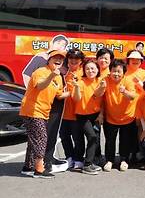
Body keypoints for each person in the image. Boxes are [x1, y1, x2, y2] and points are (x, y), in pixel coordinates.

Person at [19, 49, 69, 178]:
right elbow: (40, 86)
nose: (58, 60)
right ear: (49, 60)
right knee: (41, 139)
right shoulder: (40, 72)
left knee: (33, 140)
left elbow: (59, 95)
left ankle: (28, 167)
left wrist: (74, 90)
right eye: (55, 58)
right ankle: (39, 170)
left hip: (43, 112)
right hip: (32, 110)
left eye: (61, 59)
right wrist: (51, 75)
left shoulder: (58, 77)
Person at [97, 59, 137, 172]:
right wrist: (101, 114)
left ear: (123, 72)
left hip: (127, 117)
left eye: (119, 71)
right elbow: (99, 98)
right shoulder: (105, 80)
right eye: (114, 71)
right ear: (110, 71)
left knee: (125, 140)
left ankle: (124, 160)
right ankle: (110, 160)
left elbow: (133, 96)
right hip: (110, 117)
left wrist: (124, 92)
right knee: (110, 140)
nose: (116, 74)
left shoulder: (128, 81)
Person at [72, 58, 104, 175]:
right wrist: (75, 87)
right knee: (92, 137)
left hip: (95, 115)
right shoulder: (80, 82)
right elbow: (77, 98)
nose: (90, 71)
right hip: (82, 115)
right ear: (84, 70)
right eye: (87, 69)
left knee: (95, 137)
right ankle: (87, 164)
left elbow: (101, 98)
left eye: (93, 68)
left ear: (97, 69)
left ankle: (90, 162)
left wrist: (101, 114)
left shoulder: (100, 81)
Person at [60, 48, 85, 169]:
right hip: (64, 112)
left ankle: (79, 158)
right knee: (64, 136)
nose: (73, 61)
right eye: (71, 59)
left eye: (76, 59)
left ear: (81, 61)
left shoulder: (84, 74)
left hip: (78, 112)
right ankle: (69, 157)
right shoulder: (64, 74)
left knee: (78, 138)